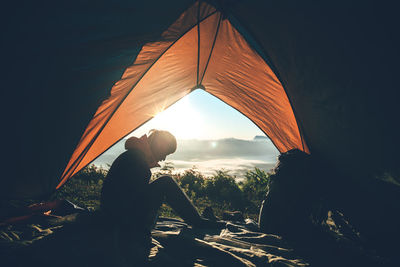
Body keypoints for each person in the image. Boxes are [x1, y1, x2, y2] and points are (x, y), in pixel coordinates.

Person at [100, 129, 223, 265]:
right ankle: (198, 222)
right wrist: (140, 231)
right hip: (118, 219)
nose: (164, 158)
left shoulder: (135, 155)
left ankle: (197, 220)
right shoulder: (137, 161)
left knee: (164, 183)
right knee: (166, 182)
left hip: (111, 214)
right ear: (159, 145)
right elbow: (130, 204)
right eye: (165, 153)